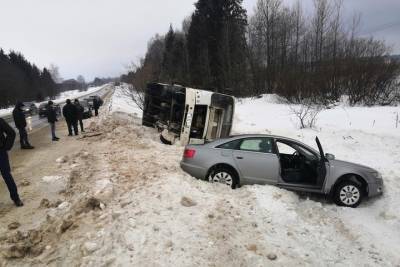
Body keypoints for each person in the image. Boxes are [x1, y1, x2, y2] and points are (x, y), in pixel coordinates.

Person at [0, 118, 24, 207]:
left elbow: (11, 133)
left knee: (7, 176)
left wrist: (6, 147)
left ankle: (16, 198)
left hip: (1, 154)